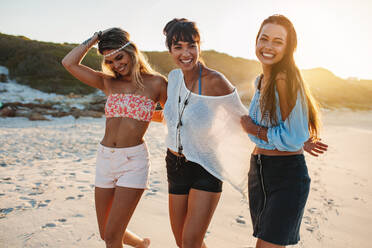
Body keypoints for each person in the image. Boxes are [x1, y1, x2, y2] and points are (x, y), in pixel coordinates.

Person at [62, 28, 167, 248]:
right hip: (105, 159)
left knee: (112, 239)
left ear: (131, 52)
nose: (116, 65)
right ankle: (140, 244)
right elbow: (69, 63)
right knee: (105, 232)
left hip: (133, 161)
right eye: (109, 61)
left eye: (119, 57)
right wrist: (92, 40)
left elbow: (172, 117)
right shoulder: (108, 82)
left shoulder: (156, 83)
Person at [240, 15, 328, 248]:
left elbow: (291, 136)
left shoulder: (283, 77)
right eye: (264, 38)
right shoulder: (261, 80)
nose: (268, 46)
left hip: (285, 176)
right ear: (256, 40)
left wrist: (253, 129)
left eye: (278, 41)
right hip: (259, 173)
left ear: (289, 47)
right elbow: (291, 127)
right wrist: (300, 138)